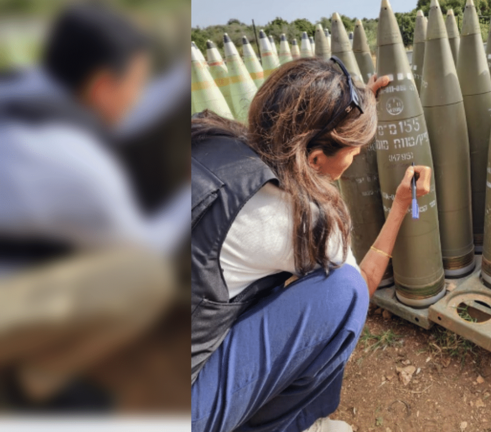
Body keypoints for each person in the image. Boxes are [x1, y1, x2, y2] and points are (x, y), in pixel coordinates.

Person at [191, 58, 431, 432]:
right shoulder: (299, 220)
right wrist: (400, 206)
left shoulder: (209, 136)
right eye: (354, 152)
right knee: (342, 292)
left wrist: (358, 105)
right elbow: (361, 288)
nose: (354, 160)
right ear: (317, 158)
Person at [0, 5, 189, 409]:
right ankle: (36, 378)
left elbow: (129, 116)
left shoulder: (23, 88)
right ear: (103, 86)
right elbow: (140, 247)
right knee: (145, 277)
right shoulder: (76, 164)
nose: (139, 95)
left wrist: (178, 83)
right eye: (136, 83)